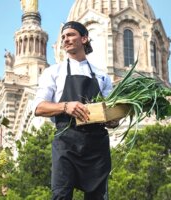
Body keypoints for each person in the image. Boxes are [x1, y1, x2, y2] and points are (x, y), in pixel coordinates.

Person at [33, 21, 118, 200]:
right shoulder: (53, 72)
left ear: (84, 38)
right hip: (66, 144)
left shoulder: (102, 76)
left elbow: (112, 113)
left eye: (71, 35)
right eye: (63, 37)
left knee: (96, 197)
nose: (66, 39)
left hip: (96, 147)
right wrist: (65, 106)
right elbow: (38, 107)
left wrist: (113, 120)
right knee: (61, 195)